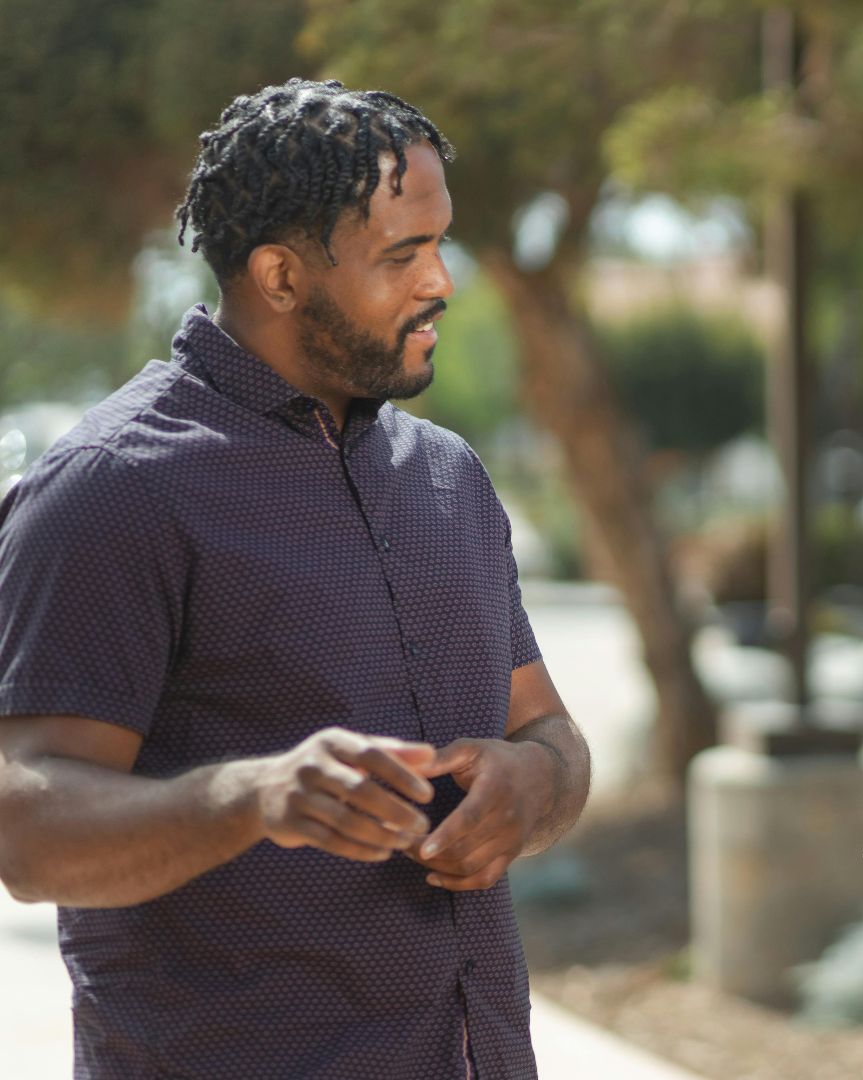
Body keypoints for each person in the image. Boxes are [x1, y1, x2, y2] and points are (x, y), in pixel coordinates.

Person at [0, 79, 590, 1079]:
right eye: (403, 253)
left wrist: (535, 785)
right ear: (279, 275)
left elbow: (549, 731)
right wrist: (254, 796)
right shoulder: (111, 490)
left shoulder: (452, 481)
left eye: (443, 243)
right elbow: (25, 824)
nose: (442, 281)